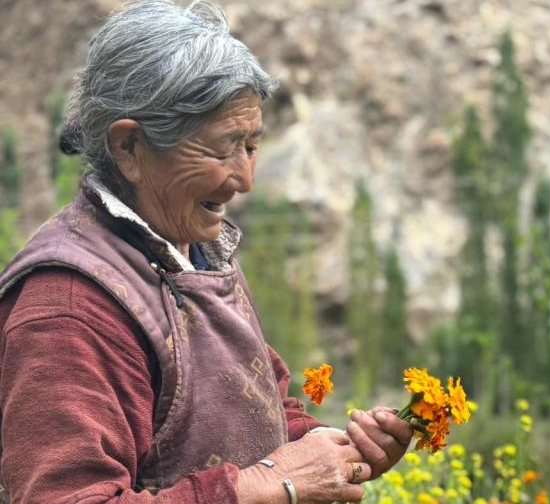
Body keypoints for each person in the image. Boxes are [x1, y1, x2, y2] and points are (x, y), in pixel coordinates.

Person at [0, 1, 413, 503]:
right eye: (222, 150)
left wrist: (333, 452)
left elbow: (260, 404)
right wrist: (269, 485)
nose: (244, 179)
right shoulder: (69, 308)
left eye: (252, 146)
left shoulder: (196, 251)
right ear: (130, 148)